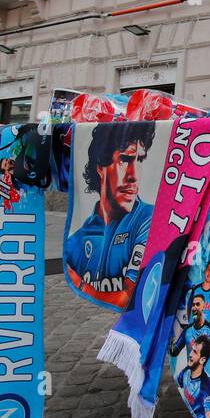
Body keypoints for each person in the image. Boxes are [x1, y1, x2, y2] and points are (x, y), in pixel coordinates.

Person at [63, 122, 155, 309]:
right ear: (100, 166)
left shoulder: (147, 218)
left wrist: (82, 284)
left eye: (140, 160)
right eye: (124, 160)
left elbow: (132, 296)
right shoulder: (78, 240)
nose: (134, 175)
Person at [176, 336, 210, 418]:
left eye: (195, 352)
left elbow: (209, 415)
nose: (190, 354)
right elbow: (177, 385)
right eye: (191, 350)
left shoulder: (206, 386)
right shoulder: (186, 371)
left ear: (202, 360)